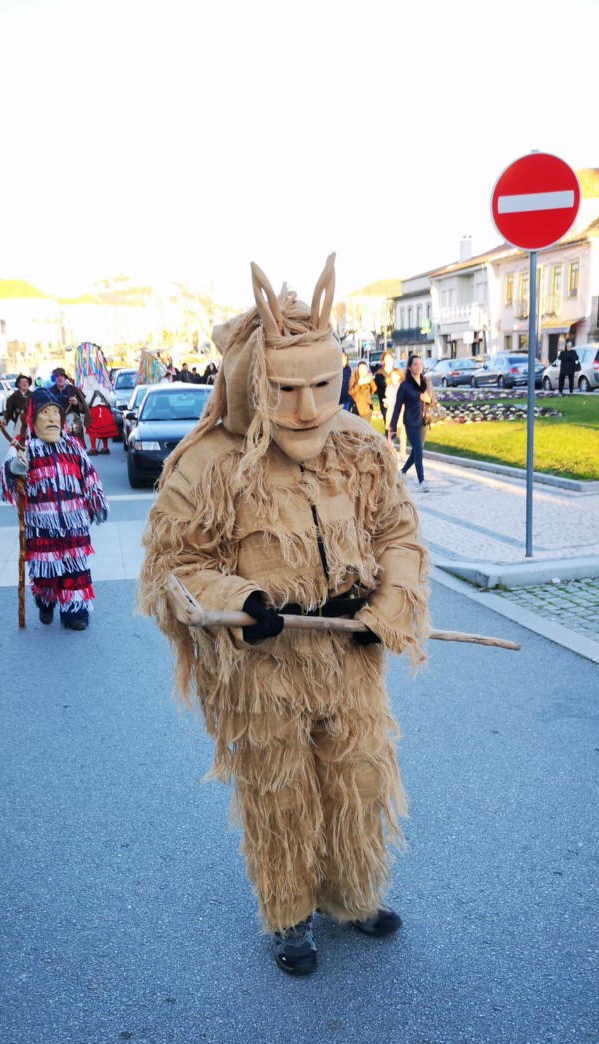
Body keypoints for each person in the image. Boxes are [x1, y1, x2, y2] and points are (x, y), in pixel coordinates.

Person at [139, 256, 429, 976]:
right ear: (251, 385)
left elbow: (398, 533)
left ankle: (353, 893)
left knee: (359, 777)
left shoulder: (361, 448)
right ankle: (288, 913)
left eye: (321, 387)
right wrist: (243, 602)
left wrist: (387, 602)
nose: (306, 409)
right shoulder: (210, 463)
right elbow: (174, 567)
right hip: (264, 662)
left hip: (351, 653)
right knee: (282, 792)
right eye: (286, 389)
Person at [0, 388, 108, 630]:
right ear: (32, 419)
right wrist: (14, 471)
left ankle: (75, 613)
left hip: (74, 526)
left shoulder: (73, 446)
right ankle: (46, 602)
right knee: (45, 574)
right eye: (44, 413)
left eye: (55, 413)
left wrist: (95, 501)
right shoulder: (23, 447)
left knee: (76, 571)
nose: (51, 419)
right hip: (41, 527)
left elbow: (89, 475)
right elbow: (8, 486)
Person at [390, 354, 432, 492]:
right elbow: (397, 406)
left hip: (424, 421)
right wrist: (393, 426)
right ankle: (422, 481)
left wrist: (428, 398)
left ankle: (403, 471)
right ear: (409, 367)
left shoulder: (425, 382)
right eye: (415, 364)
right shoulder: (405, 386)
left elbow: (431, 401)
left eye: (420, 364)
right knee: (418, 449)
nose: (419, 367)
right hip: (411, 422)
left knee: (416, 451)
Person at [50, 367, 92, 443]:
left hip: (74, 426)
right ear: (54, 379)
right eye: (57, 376)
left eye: (61, 376)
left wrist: (77, 403)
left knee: (75, 450)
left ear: (65, 378)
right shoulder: (49, 391)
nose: (59, 378)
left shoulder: (74, 390)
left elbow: (84, 409)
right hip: (55, 425)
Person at [374, 363, 387, 430]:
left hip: (394, 400)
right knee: (386, 418)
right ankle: (389, 437)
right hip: (383, 399)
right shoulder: (379, 374)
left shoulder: (395, 372)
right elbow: (375, 388)